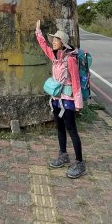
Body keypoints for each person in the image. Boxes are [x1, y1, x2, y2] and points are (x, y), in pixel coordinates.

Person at [35, 19, 86, 178]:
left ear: (63, 43)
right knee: (59, 128)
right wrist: (38, 31)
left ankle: (79, 163)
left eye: (56, 40)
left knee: (72, 130)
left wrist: (78, 102)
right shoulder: (55, 57)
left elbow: (76, 82)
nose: (54, 43)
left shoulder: (69, 60)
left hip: (68, 100)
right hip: (56, 99)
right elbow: (44, 46)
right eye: (54, 40)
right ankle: (63, 155)